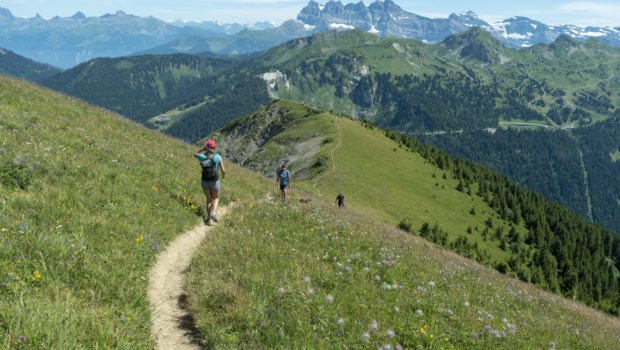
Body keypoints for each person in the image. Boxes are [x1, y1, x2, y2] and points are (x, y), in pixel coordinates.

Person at [194, 140, 226, 225]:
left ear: (206, 147)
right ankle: (214, 213)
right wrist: (223, 175)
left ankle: (208, 218)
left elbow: (195, 154)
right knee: (216, 198)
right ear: (214, 148)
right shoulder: (218, 157)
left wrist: (202, 149)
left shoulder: (202, 157)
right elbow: (223, 170)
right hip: (214, 181)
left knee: (209, 199)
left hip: (204, 181)